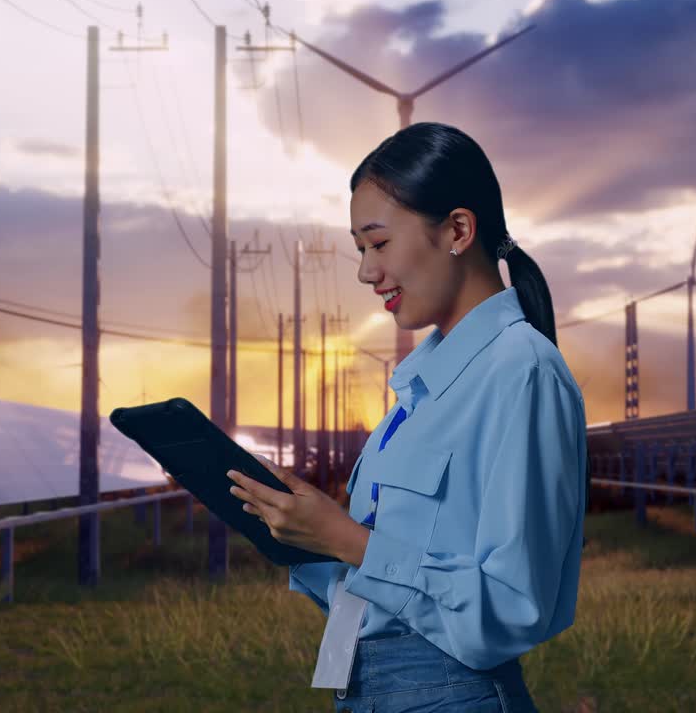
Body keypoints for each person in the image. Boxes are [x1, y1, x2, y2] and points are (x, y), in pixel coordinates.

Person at [227, 122, 587, 712]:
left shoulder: (522, 372)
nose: (366, 272)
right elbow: (392, 585)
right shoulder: (418, 392)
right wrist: (304, 536)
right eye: (360, 249)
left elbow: (514, 606)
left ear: (458, 230)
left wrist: (350, 540)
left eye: (378, 243)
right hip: (364, 691)